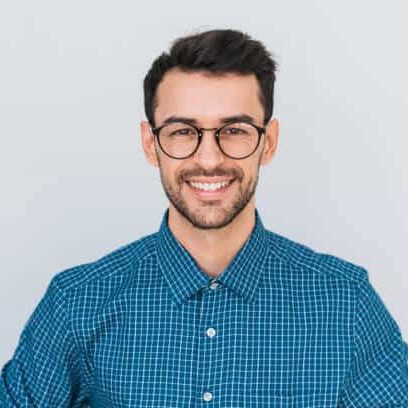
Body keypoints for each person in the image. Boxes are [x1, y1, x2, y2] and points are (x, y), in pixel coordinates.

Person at [1, 28, 407, 407]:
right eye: (182, 131)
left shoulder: (345, 303)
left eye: (234, 131)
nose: (209, 159)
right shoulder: (77, 303)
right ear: (150, 143)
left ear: (268, 143)